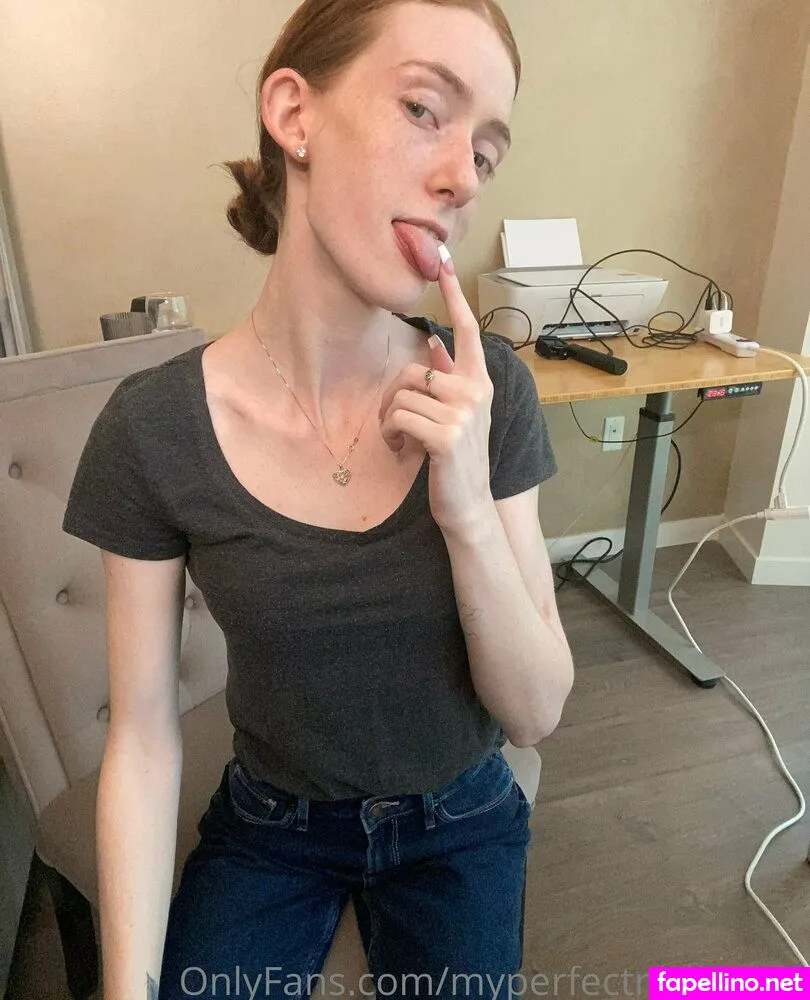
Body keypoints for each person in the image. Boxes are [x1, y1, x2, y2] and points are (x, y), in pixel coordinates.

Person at [61, 1, 575, 997]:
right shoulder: (152, 428)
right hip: (272, 827)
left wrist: (467, 509)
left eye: (486, 152)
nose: (464, 176)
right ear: (294, 113)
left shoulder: (488, 391)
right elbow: (143, 737)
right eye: (424, 109)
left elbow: (535, 711)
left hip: (461, 817)